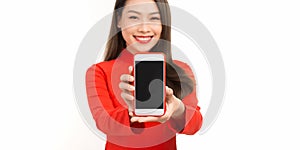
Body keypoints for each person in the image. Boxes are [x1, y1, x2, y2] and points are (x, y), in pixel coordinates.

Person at [85, 0, 203, 149]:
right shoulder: (99, 72)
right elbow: (103, 123)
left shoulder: (181, 70)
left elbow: (196, 124)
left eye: (154, 18)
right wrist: (130, 110)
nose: (144, 28)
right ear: (119, 20)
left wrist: (177, 108)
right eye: (134, 17)